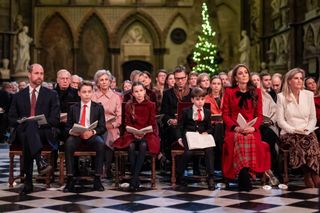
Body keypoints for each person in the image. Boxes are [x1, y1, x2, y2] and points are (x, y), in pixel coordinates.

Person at [8, 64, 60, 195]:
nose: (40, 76)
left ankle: (28, 182)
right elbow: (11, 119)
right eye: (37, 73)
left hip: (43, 132)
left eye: (42, 73)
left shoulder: (51, 95)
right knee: (28, 127)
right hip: (21, 132)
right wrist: (22, 121)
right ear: (29, 75)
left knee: (30, 129)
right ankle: (39, 161)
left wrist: (38, 122)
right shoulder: (18, 96)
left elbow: (55, 120)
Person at [222, 64, 270, 191]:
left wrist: (253, 128)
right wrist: (235, 127)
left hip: (251, 128)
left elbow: (259, 115)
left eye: (246, 73)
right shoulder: (229, 92)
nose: (244, 75)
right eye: (240, 73)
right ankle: (244, 173)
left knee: (249, 137)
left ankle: (245, 173)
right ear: (236, 78)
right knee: (238, 138)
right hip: (234, 129)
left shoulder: (257, 92)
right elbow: (225, 115)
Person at [277, 68, 320, 187]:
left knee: (312, 139)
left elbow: (313, 118)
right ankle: (307, 173)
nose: (299, 81)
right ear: (289, 81)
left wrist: (308, 129)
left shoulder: (309, 95)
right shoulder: (281, 97)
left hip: (306, 130)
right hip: (289, 132)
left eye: (301, 78)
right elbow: (280, 121)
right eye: (296, 78)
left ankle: (314, 172)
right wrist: (293, 130)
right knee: (302, 140)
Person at [113, 82, 160, 191]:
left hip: (147, 133)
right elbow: (127, 123)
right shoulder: (129, 105)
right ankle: (135, 178)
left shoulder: (151, 105)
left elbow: (152, 123)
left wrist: (143, 132)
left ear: (144, 91)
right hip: (132, 133)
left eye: (141, 91)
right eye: (136, 91)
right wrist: (134, 132)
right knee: (131, 146)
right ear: (133, 93)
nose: (139, 94)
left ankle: (134, 177)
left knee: (143, 144)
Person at [63, 81, 106, 192]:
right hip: (77, 136)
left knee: (100, 143)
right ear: (79, 93)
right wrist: (72, 131)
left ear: (92, 93)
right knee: (68, 143)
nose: (87, 94)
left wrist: (92, 132)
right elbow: (67, 127)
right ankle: (70, 178)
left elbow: (102, 127)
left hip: (91, 135)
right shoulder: (73, 108)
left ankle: (97, 179)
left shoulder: (98, 107)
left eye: (89, 92)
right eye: (84, 92)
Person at [176, 87, 215, 190]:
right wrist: (179, 138)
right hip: (189, 135)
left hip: (201, 136)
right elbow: (180, 126)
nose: (200, 102)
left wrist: (207, 132)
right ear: (192, 100)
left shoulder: (207, 112)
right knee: (188, 152)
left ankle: (210, 177)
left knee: (209, 149)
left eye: (202, 99)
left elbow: (210, 128)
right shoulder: (186, 111)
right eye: (197, 99)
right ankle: (179, 175)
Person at [92, 70, 122, 179]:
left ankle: (107, 168)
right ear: (97, 82)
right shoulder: (93, 96)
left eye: (106, 80)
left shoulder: (116, 97)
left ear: (110, 82)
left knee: (109, 134)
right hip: (97, 126)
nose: (104, 82)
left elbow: (119, 117)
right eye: (101, 80)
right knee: (101, 134)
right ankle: (100, 168)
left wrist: (113, 125)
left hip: (112, 127)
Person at [161, 66, 192, 159]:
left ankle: (188, 163)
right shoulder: (167, 93)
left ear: (186, 77)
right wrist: (170, 120)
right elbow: (164, 114)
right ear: (174, 79)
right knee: (173, 131)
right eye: (177, 79)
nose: (180, 81)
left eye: (182, 78)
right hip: (173, 125)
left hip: (189, 124)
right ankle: (173, 163)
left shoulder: (192, 93)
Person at [205, 75, 224, 170]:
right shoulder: (206, 99)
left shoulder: (226, 98)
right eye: (214, 83)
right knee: (217, 127)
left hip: (224, 125)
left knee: (220, 126)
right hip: (211, 126)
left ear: (221, 86)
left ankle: (218, 163)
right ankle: (217, 163)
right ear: (211, 85)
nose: (216, 86)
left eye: (218, 84)